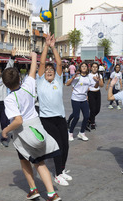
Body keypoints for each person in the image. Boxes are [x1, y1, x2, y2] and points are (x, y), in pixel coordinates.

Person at [2, 52, 62, 201]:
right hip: (36, 124)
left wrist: (5, 130)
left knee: (38, 161)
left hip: (24, 132)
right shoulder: (28, 86)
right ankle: (33, 189)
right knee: (23, 158)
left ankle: (51, 194)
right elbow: (33, 70)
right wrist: (34, 56)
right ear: (19, 79)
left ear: (5, 84)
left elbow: (18, 120)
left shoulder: (9, 99)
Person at [36, 34, 72, 186]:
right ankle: (57, 175)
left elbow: (58, 63)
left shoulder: (58, 79)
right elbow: (43, 62)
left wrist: (53, 47)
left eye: (51, 70)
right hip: (47, 119)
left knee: (65, 144)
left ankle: (62, 169)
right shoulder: (40, 81)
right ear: (43, 73)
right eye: (47, 70)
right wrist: (45, 46)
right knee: (57, 145)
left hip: (60, 117)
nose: (49, 71)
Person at [66, 62, 100, 142]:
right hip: (75, 99)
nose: (84, 67)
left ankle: (82, 132)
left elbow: (95, 86)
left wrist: (97, 82)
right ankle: (70, 132)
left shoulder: (89, 77)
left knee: (87, 116)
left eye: (85, 66)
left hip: (84, 99)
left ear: (87, 68)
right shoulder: (77, 76)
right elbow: (67, 84)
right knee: (76, 116)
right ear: (80, 68)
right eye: (82, 66)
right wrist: (73, 77)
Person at [87, 62, 104, 130]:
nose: (94, 68)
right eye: (93, 67)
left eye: (96, 67)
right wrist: (86, 95)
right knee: (92, 109)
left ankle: (89, 120)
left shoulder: (99, 75)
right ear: (91, 68)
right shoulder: (88, 76)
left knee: (97, 109)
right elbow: (87, 86)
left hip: (97, 92)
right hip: (90, 93)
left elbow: (101, 85)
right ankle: (92, 123)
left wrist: (98, 80)